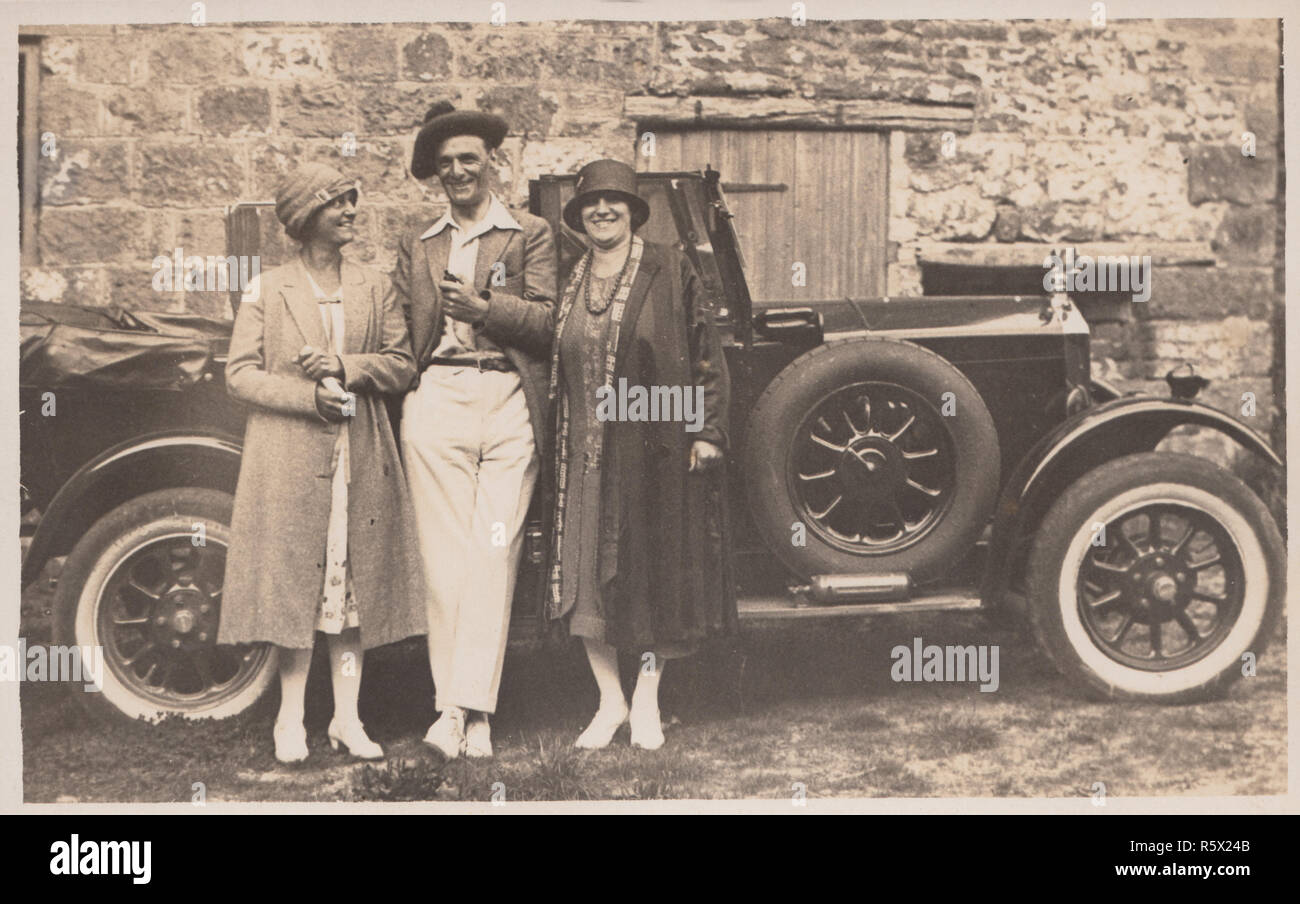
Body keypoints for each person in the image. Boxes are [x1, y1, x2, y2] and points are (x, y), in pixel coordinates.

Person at [220, 163, 428, 764]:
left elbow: (401, 363)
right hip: (288, 456)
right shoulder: (269, 287)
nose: (350, 212)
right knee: (298, 586)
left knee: (352, 582)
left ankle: (346, 718)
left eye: (351, 200)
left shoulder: (375, 284)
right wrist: (308, 397)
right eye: (337, 203)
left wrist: (342, 367)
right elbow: (239, 376)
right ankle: (290, 719)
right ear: (307, 217)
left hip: (358, 452)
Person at [549, 159, 736, 751]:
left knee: (653, 577)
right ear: (578, 215)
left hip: (651, 446)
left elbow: (707, 352)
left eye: (614, 202)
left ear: (633, 211)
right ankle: (610, 702)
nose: (602, 211)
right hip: (580, 451)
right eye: (591, 203)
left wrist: (706, 431)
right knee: (583, 579)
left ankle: (649, 700)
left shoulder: (668, 265)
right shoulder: (572, 275)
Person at [395, 102, 556, 759]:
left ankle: (471, 711)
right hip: (439, 397)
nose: (459, 171)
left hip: (509, 398)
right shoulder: (420, 242)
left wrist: (487, 308)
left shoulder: (530, 234)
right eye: (446, 164)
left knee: (493, 553)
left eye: (469, 158)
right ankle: (456, 714)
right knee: (445, 563)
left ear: (491, 162)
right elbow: (403, 332)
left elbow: (548, 323)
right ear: (434, 175)